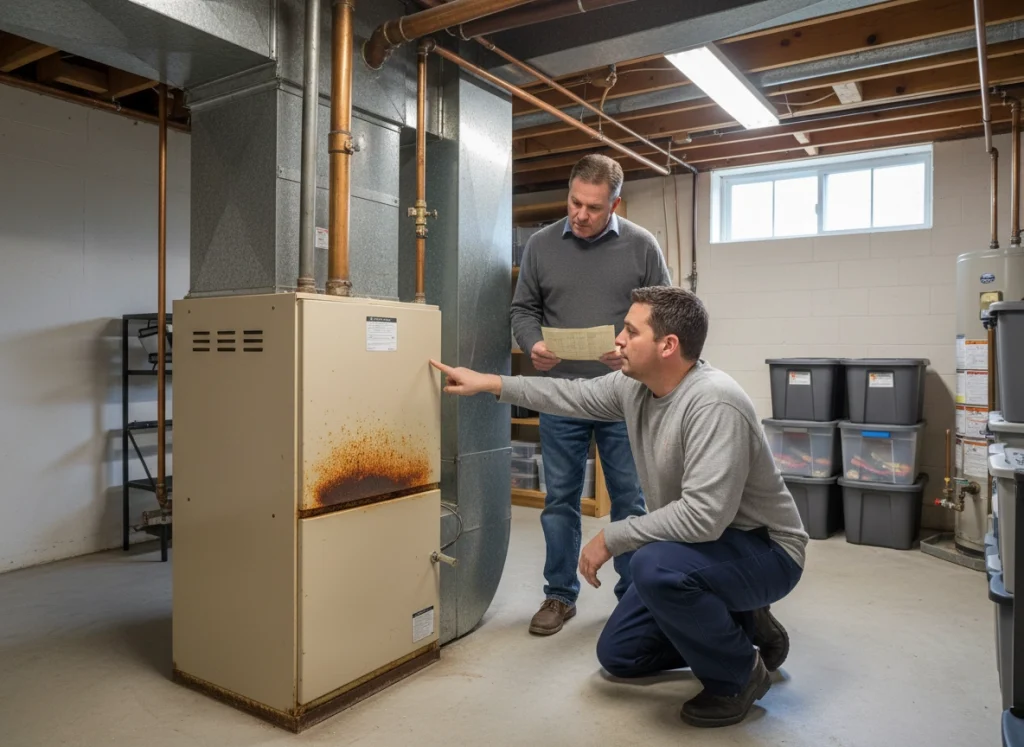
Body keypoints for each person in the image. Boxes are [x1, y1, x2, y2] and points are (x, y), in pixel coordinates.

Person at [430, 286, 808, 728]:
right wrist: (490, 383)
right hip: (709, 548)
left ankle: (740, 677)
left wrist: (612, 536)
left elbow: (705, 516)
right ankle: (740, 624)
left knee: (652, 564)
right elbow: (569, 396)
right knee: (621, 654)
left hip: (765, 550)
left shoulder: (713, 402)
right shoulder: (634, 387)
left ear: (668, 346)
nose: (619, 340)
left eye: (631, 330)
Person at [511, 153, 671, 636]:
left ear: (615, 204)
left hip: (625, 395)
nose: (580, 215)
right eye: (574, 202)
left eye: (594, 208)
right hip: (563, 394)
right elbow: (523, 309)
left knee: (631, 501)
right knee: (559, 499)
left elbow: (665, 316)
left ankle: (632, 600)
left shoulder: (643, 246)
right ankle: (559, 595)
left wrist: (632, 353)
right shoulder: (541, 245)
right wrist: (531, 343)